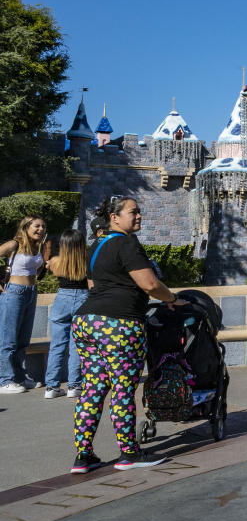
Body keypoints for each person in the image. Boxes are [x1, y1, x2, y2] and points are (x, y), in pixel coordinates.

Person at [71, 196, 182, 472]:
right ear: (115, 217)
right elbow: (149, 283)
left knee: (93, 388)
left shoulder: (97, 246)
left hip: (87, 321)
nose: (139, 216)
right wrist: (171, 298)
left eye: (139, 212)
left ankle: (83, 456)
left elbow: (93, 284)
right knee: (122, 387)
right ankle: (129, 453)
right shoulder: (126, 243)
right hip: (119, 325)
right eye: (133, 212)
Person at [0, 214, 50, 393]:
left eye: (43, 226)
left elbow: (35, 270)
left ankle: (20, 377)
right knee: (8, 339)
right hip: (14, 293)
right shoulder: (14, 244)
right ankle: (4, 380)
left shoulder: (39, 246)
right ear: (26, 227)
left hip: (31, 292)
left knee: (23, 340)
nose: (40, 229)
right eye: (36, 226)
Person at [43, 229, 91, 399]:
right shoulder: (87, 261)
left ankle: (51, 387)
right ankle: (74, 385)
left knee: (56, 345)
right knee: (77, 346)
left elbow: (49, 268)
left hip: (62, 298)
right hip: (83, 297)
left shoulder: (55, 261)